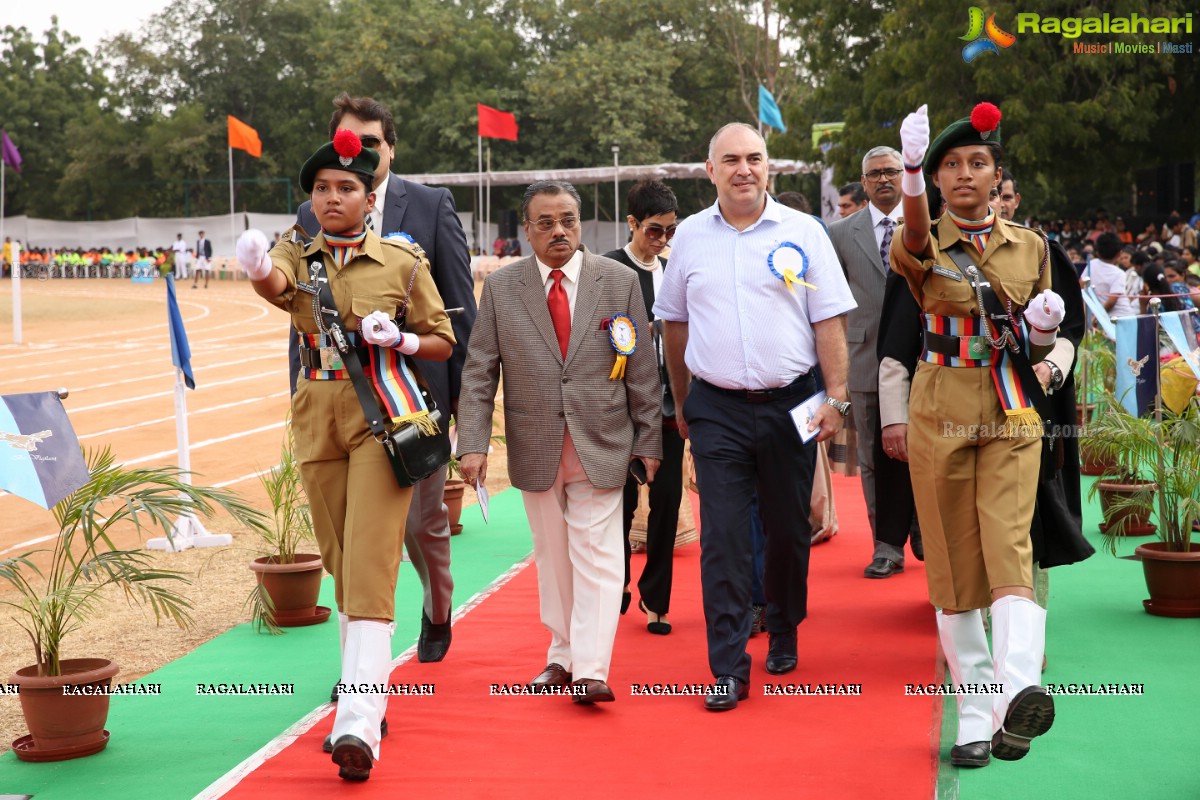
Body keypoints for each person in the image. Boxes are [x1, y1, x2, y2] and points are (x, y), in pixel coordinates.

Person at [236, 132, 455, 781]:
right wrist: (255, 266)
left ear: (368, 197)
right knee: (338, 559)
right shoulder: (294, 253)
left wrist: (405, 337)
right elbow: (275, 285)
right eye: (323, 188)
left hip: (380, 418)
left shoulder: (400, 259)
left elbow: (443, 339)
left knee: (367, 563)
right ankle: (360, 691)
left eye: (347, 188)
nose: (333, 197)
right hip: (316, 415)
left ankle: (358, 719)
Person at [655, 123, 855, 711]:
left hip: (792, 403)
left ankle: (785, 625)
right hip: (715, 407)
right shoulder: (689, 237)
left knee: (790, 527)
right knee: (722, 536)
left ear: (769, 168)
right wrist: (685, 400)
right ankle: (727, 665)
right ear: (709, 170)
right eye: (731, 160)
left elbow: (829, 320)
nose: (744, 169)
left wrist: (836, 399)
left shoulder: (804, 233)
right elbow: (674, 325)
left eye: (755, 158)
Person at [893, 102, 1066, 767]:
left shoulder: (1031, 246)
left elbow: (1042, 334)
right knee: (954, 565)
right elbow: (911, 240)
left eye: (978, 162)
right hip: (941, 407)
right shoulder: (922, 239)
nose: (965, 173)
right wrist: (908, 172)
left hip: (1010, 407)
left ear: (997, 174)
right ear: (936, 180)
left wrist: (1049, 335)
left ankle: (1018, 692)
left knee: (1010, 548)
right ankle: (974, 712)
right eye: (950, 165)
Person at [456, 180, 662, 704]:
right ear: (527, 230)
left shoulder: (618, 282)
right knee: (553, 555)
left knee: (597, 552)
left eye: (568, 219)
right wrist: (473, 443)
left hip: (605, 440)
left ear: (580, 223)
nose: (559, 231)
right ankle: (561, 653)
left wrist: (650, 441)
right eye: (545, 222)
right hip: (536, 443)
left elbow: (641, 369)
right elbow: (480, 373)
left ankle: (591, 668)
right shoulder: (502, 290)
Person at [294, 94, 476, 673]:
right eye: (349, 140)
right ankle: (363, 679)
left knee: (421, 529)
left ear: (389, 149)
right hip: (335, 407)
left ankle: (438, 605)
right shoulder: (311, 215)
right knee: (356, 547)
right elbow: (303, 318)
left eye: (371, 142)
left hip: (412, 405)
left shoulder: (429, 205)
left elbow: (458, 314)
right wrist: (303, 393)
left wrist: (463, 409)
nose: (359, 151)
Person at [829, 145, 921, 578]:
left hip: (923, 358)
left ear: (905, 176)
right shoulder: (841, 234)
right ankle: (886, 545)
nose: (884, 179)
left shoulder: (927, 226)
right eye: (875, 174)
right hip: (864, 356)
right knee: (872, 455)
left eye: (891, 171)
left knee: (924, 450)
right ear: (863, 182)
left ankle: (924, 529)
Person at [603, 179, 681, 636]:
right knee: (621, 505)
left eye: (670, 231)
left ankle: (658, 600)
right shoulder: (606, 270)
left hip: (670, 409)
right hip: (620, 411)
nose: (663, 240)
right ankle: (615, 586)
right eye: (655, 230)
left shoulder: (674, 271)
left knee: (666, 505)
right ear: (631, 223)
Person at [1084, 233, 1137, 317]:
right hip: (1117, 316)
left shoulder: (1091, 264)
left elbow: (1111, 303)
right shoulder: (1119, 273)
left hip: (1118, 318)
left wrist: (1095, 318)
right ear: (1119, 254)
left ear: (1097, 252)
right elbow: (1111, 302)